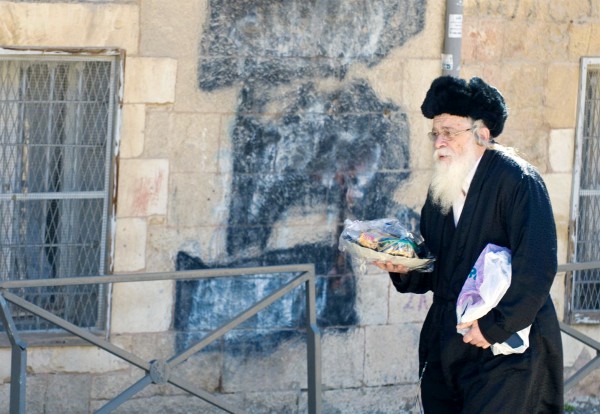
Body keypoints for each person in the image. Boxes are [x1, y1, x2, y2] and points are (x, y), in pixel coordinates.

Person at [375, 76, 563, 413]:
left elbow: (537, 267)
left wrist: (494, 328)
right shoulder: (441, 190)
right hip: (448, 344)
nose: (438, 142)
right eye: (435, 132)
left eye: (449, 131)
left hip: (503, 349)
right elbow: (437, 268)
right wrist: (405, 267)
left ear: (482, 133)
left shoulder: (518, 181)